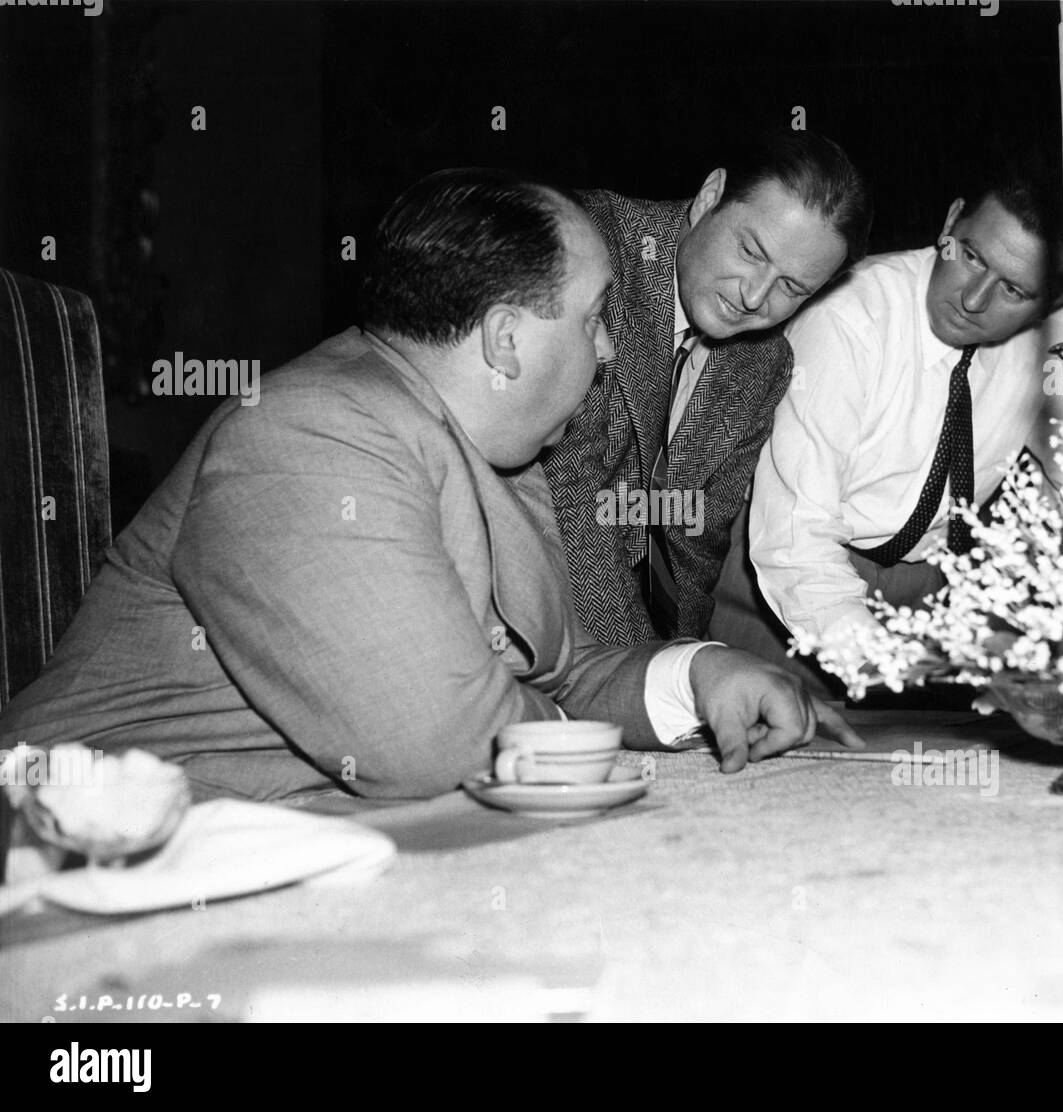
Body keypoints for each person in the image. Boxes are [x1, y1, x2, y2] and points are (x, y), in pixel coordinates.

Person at [0, 169, 853, 803]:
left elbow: (560, 666)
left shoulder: (494, 451)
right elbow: (433, 740)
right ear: (506, 340)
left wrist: (698, 675)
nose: (603, 352)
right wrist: (573, 734)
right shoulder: (312, 430)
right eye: (594, 319)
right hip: (92, 869)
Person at [711, 159, 1063, 688]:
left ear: (1055, 303)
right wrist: (883, 665)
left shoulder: (1053, 345)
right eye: (970, 256)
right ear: (950, 223)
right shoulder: (848, 320)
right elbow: (795, 535)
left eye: (1013, 291)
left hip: (926, 593)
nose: (973, 300)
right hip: (784, 596)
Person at [543, 131, 871, 646]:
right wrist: (653, 682)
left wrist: (688, 663)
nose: (753, 296)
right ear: (709, 196)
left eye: (792, 287)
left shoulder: (764, 364)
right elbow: (571, 498)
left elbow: (691, 542)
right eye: (750, 250)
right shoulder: (587, 253)